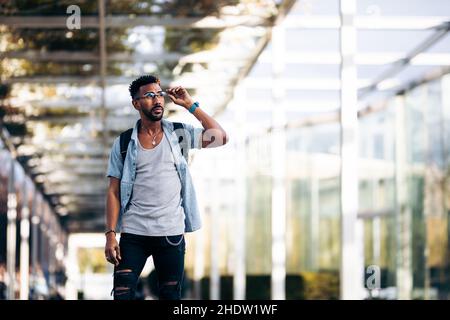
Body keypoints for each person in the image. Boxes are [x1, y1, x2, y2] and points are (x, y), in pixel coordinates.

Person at [104, 75, 227, 300]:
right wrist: (110, 235)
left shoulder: (179, 133)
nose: (157, 100)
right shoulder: (123, 143)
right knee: (122, 294)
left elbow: (219, 137)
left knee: (171, 296)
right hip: (134, 233)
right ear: (136, 103)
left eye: (159, 94)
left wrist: (191, 105)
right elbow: (113, 191)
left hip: (170, 234)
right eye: (149, 96)